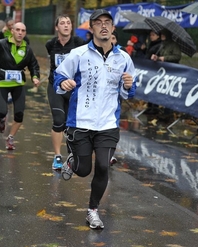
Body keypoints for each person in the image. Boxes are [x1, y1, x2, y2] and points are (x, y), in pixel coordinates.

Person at [54, 9, 136, 229]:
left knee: (102, 166)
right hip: (80, 121)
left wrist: (129, 86)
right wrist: (63, 83)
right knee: (83, 170)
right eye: (98, 22)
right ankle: (72, 161)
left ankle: (92, 210)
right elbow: (59, 76)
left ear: (113, 27)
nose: (103, 26)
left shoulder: (124, 58)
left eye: (107, 22)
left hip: (108, 124)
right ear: (91, 28)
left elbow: (129, 92)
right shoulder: (79, 54)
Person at [0, 22, 40, 150]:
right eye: (17, 30)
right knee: (1, 111)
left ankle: (11, 137)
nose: (20, 33)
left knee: (19, 114)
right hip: (2, 80)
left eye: (23, 31)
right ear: (11, 31)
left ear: (25, 33)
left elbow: (33, 65)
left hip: (18, 83)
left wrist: (35, 77)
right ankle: (2, 119)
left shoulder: (27, 48)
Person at [45, 14, 85, 170]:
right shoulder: (50, 44)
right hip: (55, 86)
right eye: (62, 23)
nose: (66, 25)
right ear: (57, 27)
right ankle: (57, 156)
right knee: (58, 120)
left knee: (70, 124)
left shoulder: (79, 43)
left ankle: (71, 153)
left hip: (73, 87)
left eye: (68, 23)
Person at [150, 29, 181, 121]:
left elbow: (177, 56)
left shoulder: (174, 45)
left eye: (164, 34)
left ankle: (168, 113)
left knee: (169, 92)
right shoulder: (162, 45)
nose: (162, 36)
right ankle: (164, 111)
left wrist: (165, 58)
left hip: (171, 72)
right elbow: (160, 55)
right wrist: (157, 57)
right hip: (163, 71)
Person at [143, 30, 162, 115]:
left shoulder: (160, 45)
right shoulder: (151, 44)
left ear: (158, 36)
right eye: (150, 35)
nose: (151, 36)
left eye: (153, 35)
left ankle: (155, 107)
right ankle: (149, 105)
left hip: (155, 70)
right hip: (149, 68)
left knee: (154, 87)